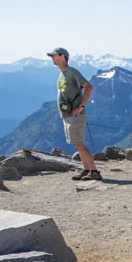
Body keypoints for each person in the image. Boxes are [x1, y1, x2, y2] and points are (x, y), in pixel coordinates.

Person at [48, 47, 100, 181]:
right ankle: (86, 170)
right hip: (67, 115)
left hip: (75, 116)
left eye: (54, 56)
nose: (52, 58)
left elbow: (88, 87)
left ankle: (94, 171)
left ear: (62, 57)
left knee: (79, 144)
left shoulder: (72, 72)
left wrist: (81, 106)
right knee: (77, 143)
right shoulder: (62, 74)